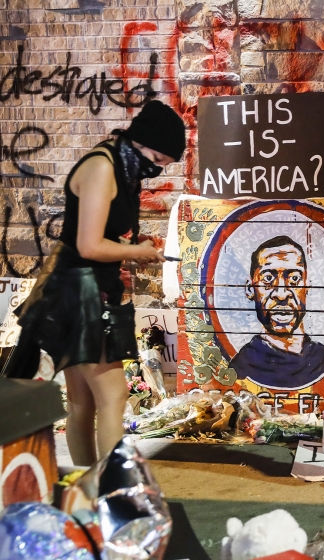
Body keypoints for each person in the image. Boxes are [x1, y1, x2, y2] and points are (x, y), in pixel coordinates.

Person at [7, 101, 181, 466]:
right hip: (78, 290)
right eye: (160, 159)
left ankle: (88, 487)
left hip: (83, 286)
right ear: (142, 143)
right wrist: (135, 252)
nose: (160, 168)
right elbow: (88, 244)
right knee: (114, 396)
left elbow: (101, 237)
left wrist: (135, 248)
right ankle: (111, 490)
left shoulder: (122, 166)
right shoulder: (103, 167)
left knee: (83, 400)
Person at [229, 235, 324, 389]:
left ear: (307, 286)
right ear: (250, 288)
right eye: (268, 278)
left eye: (294, 278)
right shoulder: (242, 366)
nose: (281, 294)